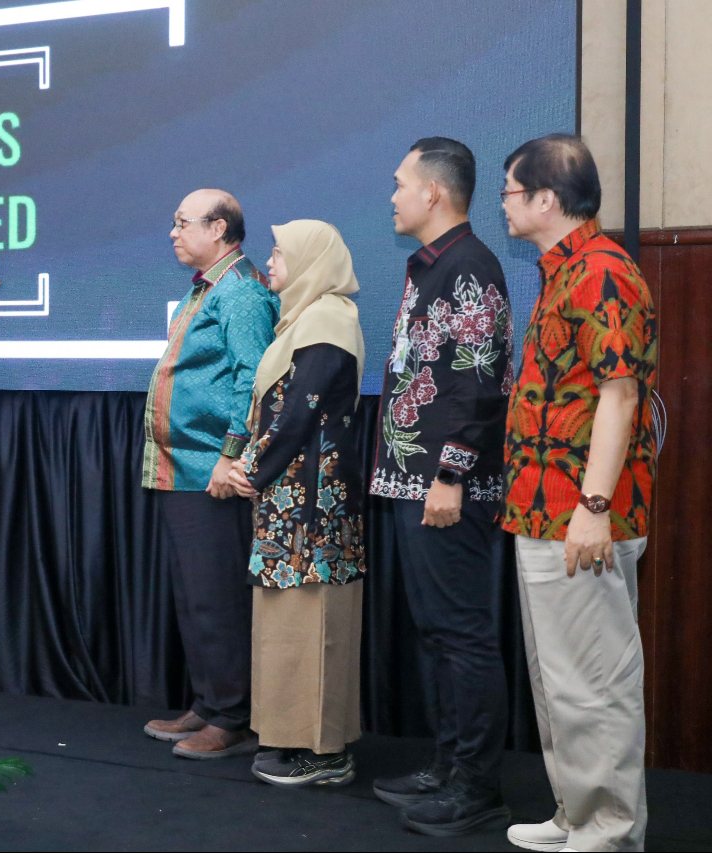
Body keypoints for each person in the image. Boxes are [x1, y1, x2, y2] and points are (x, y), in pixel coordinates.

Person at [500, 134, 657, 853]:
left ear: (546, 198)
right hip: (541, 506)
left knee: (595, 678)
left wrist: (593, 509)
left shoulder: (602, 272)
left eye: (510, 191)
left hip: (582, 511)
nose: (504, 204)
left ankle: (612, 828)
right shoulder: (561, 272)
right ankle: (577, 813)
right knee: (559, 678)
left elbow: (620, 396)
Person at [368, 138, 514, 836]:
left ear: (433, 193)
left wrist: (451, 472)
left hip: (446, 485)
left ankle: (476, 785)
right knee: (437, 633)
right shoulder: (431, 266)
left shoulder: (470, 268)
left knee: (463, 634)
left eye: (400, 183)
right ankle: (446, 764)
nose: (392, 195)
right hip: (412, 480)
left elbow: (481, 385)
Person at [225, 219, 366, 787]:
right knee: (288, 626)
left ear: (311, 261)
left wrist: (251, 470)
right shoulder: (303, 321)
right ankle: (292, 740)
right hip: (289, 501)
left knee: (317, 625)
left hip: (314, 508)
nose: (272, 259)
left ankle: (327, 753)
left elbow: (299, 413)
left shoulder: (328, 322)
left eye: (281, 251)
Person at [141, 188, 279, 759]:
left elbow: (255, 379)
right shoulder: (209, 288)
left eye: (183, 223)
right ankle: (208, 701)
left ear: (219, 228)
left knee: (217, 596)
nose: (173, 232)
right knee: (195, 596)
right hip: (183, 470)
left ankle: (233, 716)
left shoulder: (242, 293)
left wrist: (231, 453)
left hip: (211, 471)